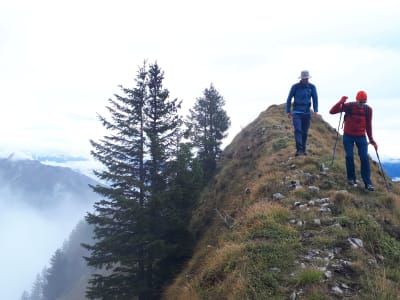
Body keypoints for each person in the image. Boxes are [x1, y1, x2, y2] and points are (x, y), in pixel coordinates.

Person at [329, 90, 377, 191]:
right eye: (360, 102)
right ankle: (351, 179)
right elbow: (332, 111)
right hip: (348, 136)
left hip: (361, 137)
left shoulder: (368, 110)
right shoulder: (349, 106)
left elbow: (369, 125)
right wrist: (340, 102)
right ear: (356, 100)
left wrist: (372, 140)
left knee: (364, 158)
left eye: (364, 102)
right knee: (349, 156)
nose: (362, 104)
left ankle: (368, 183)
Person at [286, 70, 319, 156]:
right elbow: (289, 99)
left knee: (305, 132)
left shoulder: (312, 87)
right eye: (304, 78)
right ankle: (299, 150)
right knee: (298, 130)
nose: (305, 80)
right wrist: (288, 111)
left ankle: (303, 149)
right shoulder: (295, 87)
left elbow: (315, 99)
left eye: (306, 78)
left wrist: (315, 110)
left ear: (308, 78)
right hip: (296, 112)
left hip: (307, 113)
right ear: (301, 78)